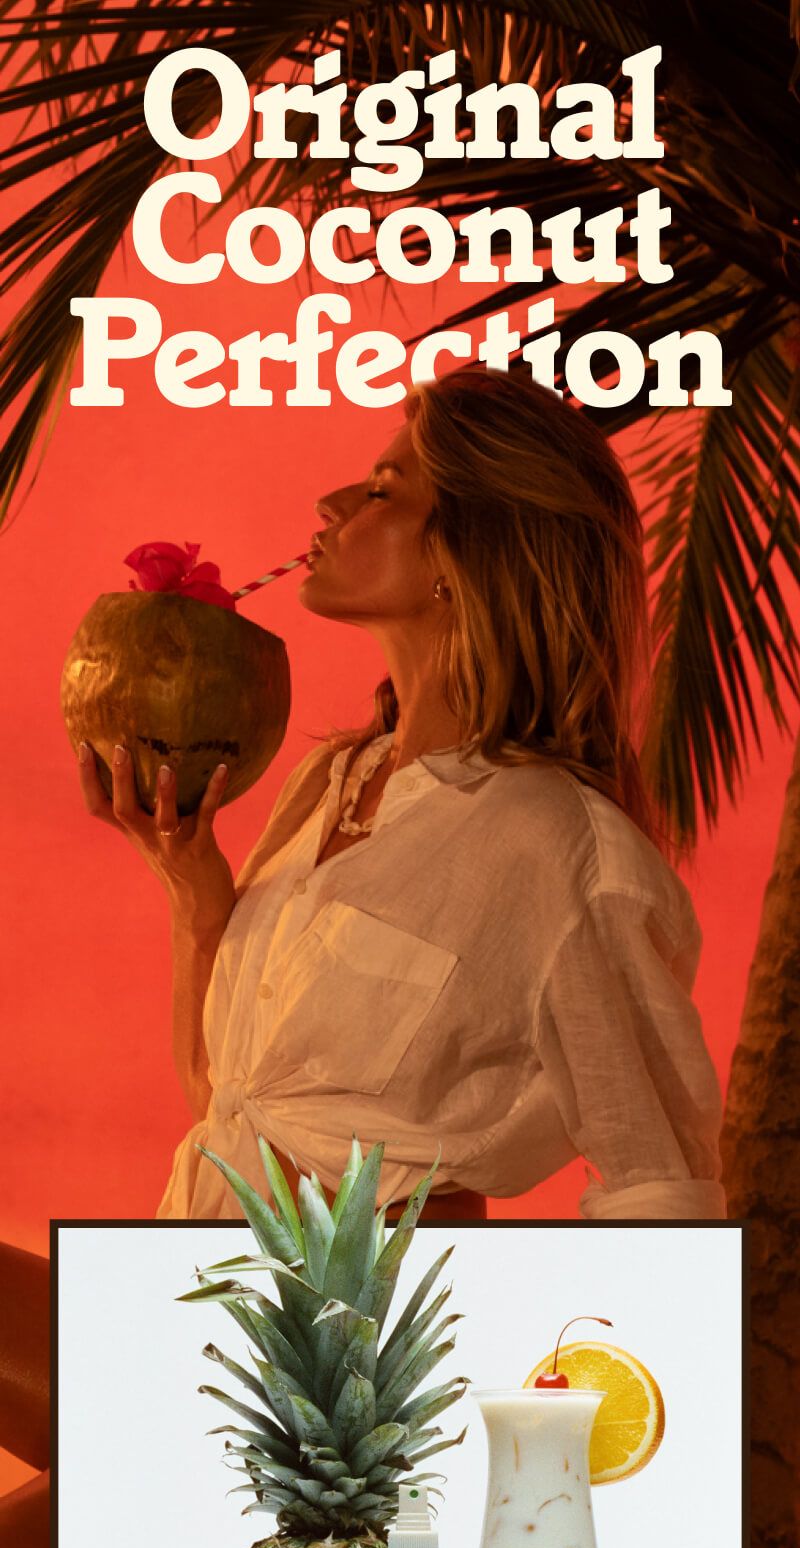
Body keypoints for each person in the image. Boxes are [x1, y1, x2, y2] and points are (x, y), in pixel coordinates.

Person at [79, 366, 725, 1222]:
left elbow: (663, 1190)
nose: (331, 503)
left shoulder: (556, 844)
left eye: (382, 491)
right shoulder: (326, 784)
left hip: (355, 1309)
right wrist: (195, 890)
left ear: (462, 557)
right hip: (200, 1282)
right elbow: (228, 1106)